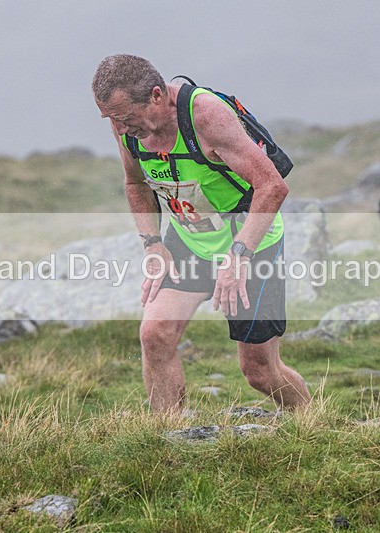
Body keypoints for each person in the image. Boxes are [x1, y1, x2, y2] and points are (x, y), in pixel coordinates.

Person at [92, 54, 310, 413]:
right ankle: (166, 441)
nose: (120, 127)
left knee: (258, 371)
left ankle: (310, 422)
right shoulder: (126, 128)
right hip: (190, 241)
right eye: (111, 119)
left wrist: (239, 255)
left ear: (157, 96)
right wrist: (153, 244)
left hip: (250, 243)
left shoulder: (206, 117)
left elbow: (272, 187)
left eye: (126, 117)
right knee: (155, 336)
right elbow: (135, 183)